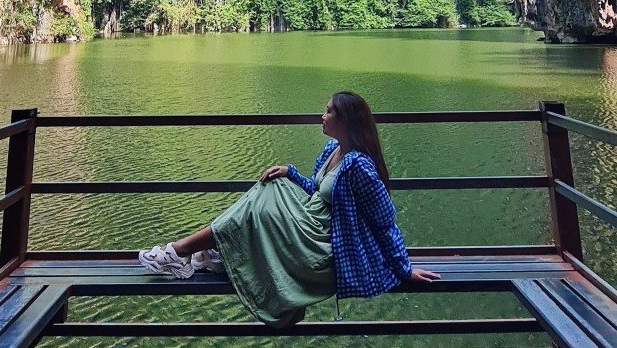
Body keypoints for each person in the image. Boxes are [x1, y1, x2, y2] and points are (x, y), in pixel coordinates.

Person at [138, 90, 440, 327]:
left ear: (345, 120)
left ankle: (180, 252)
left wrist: (404, 270)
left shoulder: (359, 166)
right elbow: (319, 190)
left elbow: (385, 221)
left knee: (261, 204)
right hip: (310, 224)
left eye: (328, 111)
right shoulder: (332, 150)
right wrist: (291, 172)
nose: (322, 116)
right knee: (269, 188)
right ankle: (201, 252)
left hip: (323, 245)